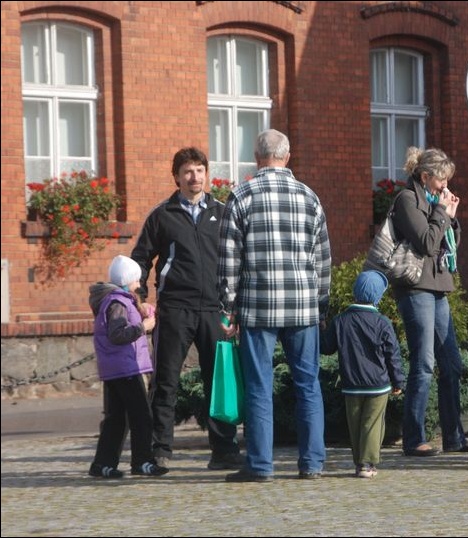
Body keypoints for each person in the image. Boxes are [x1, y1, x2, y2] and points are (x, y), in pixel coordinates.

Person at [218, 129, 331, 482]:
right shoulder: (310, 197)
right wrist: (321, 305)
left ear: (256, 157)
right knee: (308, 384)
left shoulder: (241, 196)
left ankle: (260, 465)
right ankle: (312, 463)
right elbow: (322, 259)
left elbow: (229, 259)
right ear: (288, 156)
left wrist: (227, 307)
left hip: (258, 306)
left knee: (258, 386)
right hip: (303, 307)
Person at [131, 147, 242, 471]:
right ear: (177, 177)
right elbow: (140, 259)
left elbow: (237, 258)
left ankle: (224, 450)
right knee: (166, 381)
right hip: (175, 308)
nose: (195, 177)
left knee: (218, 380)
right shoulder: (162, 215)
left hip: (214, 310)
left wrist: (233, 305)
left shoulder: (222, 213)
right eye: (188, 172)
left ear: (207, 174)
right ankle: (159, 450)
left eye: (199, 170)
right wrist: (140, 298)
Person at [391, 146, 468, 457]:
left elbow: (447, 242)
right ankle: (413, 437)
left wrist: (450, 218)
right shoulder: (407, 200)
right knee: (424, 364)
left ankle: (454, 436)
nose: (445, 185)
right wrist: (442, 213)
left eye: (447, 180)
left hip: (438, 286)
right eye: (441, 179)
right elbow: (427, 243)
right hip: (416, 287)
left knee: (452, 364)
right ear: (425, 176)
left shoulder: (433, 203)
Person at [88, 255, 168, 478]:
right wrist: (144, 327)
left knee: (116, 418)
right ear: (127, 281)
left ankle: (102, 464)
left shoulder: (116, 300)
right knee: (141, 416)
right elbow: (118, 334)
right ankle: (142, 461)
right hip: (125, 369)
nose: (139, 284)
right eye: (136, 280)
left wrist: (142, 312)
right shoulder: (118, 303)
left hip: (115, 369)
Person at [320, 270, 406, 478]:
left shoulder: (340, 320)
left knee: (355, 425)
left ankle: (359, 463)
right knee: (373, 423)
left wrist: (321, 327)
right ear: (378, 297)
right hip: (378, 384)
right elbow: (392, 355)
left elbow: (326, 347)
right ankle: (367, 464)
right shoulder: (382, 322)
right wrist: (398, 381)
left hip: (351, 384)